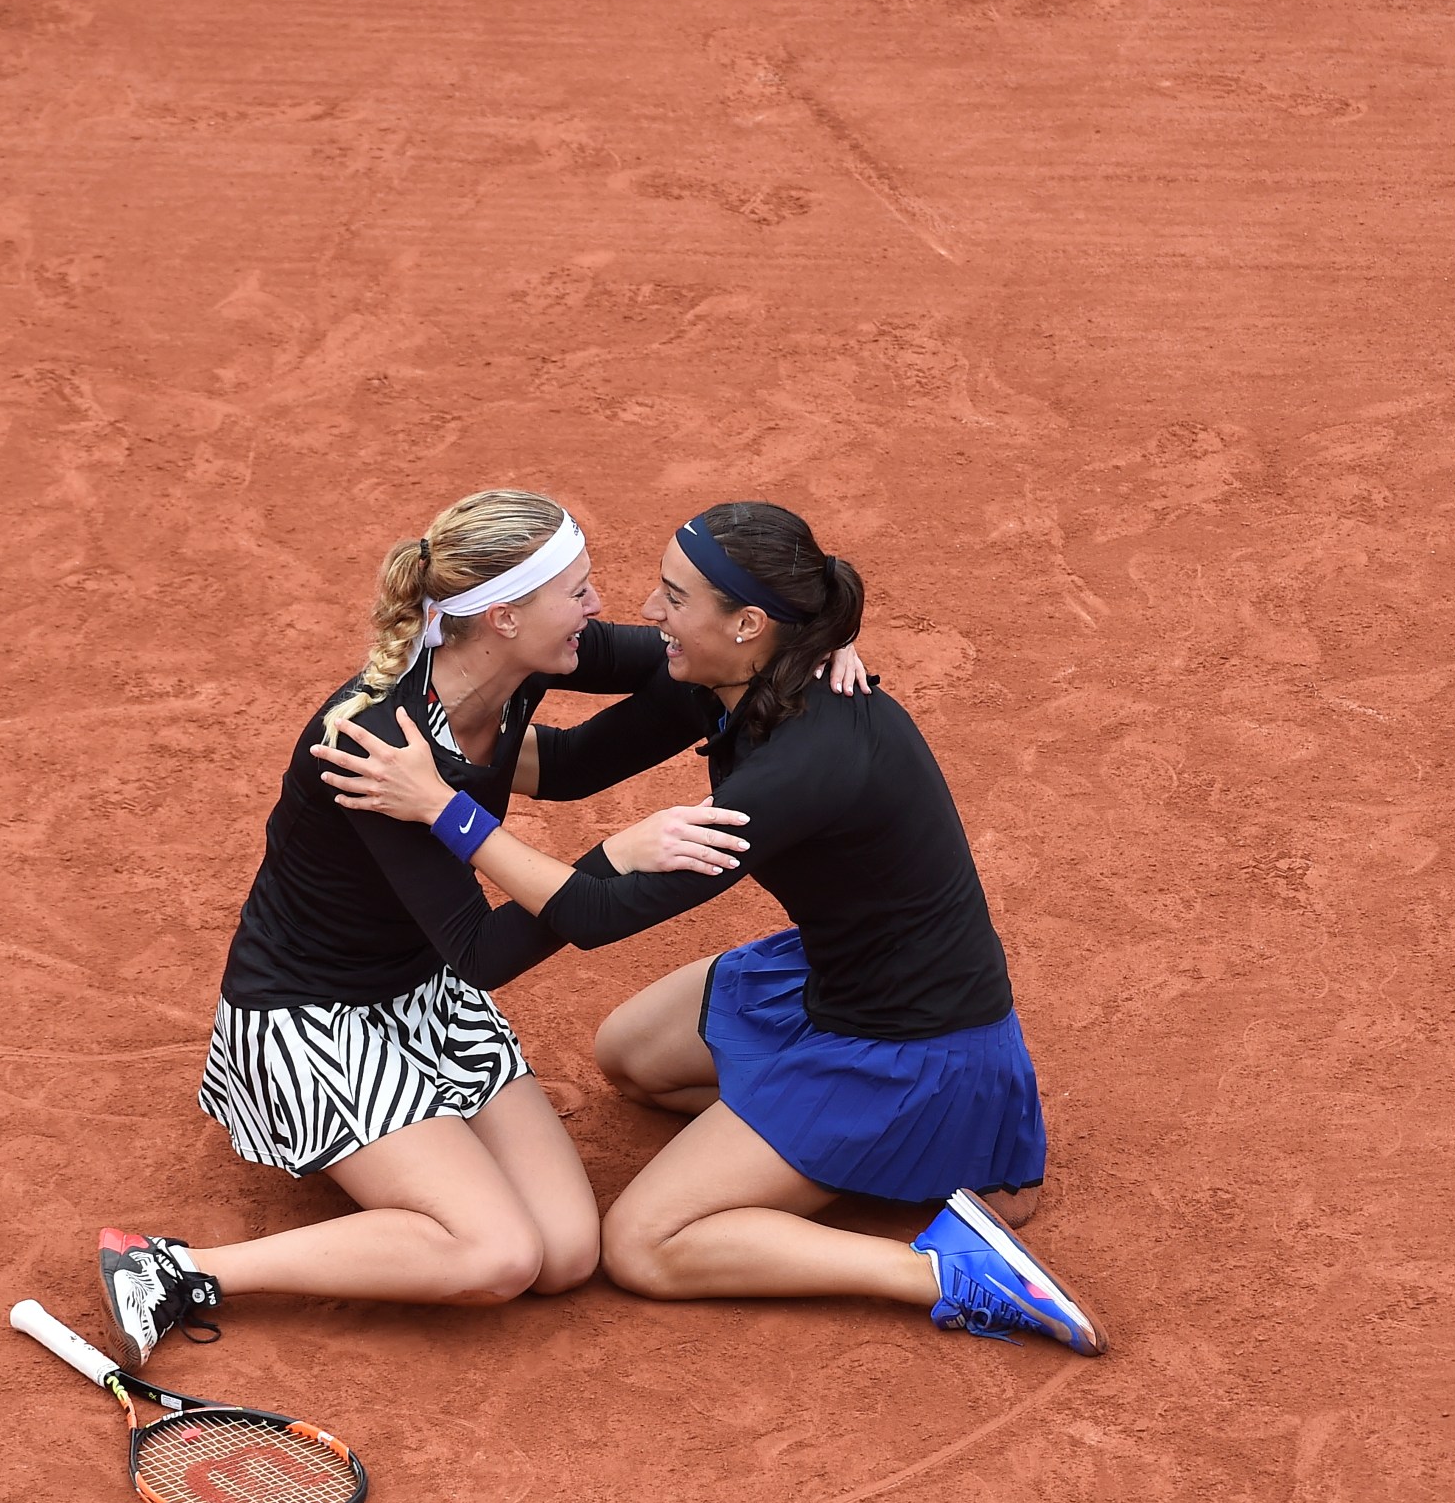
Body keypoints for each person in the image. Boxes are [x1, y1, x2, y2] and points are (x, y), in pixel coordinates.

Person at [97, 489, 867, 1369]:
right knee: (500, 1255)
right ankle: (178, 1268)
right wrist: (613, 858)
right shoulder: (372, 747)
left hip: (423, 998)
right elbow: (484, 951)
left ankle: (418, 1176)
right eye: (576, 592)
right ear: (503, 615)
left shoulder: (521, 664)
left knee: (567, 1252)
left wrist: (809, 638)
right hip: (313, 1019)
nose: (600, 608)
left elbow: (673, 664)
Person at [314, 500, 1103, 1355]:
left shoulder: (809, 764)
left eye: (673, 597)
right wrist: (452, 741)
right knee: (630, 1054)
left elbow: (596, 911)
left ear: (748, 621)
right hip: (830, 975)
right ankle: (837, 1152)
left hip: (904, 1045)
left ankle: (944, 1269)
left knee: (644, 1243)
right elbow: (576, 763)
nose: (650, 615)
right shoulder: (742, 675)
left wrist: (443, 808)